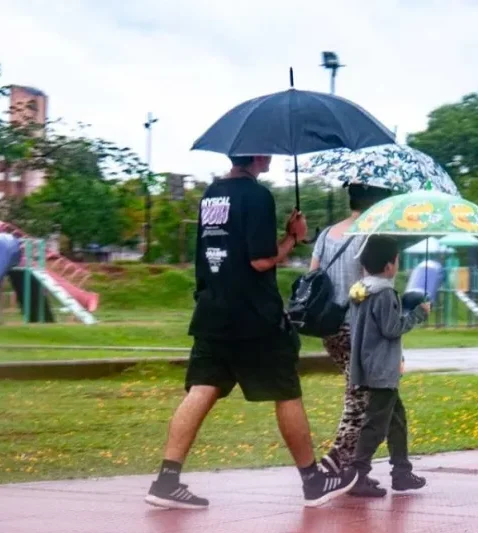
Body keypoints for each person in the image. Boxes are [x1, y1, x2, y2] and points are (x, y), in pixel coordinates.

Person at [145, 155, 358, 510]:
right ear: (258, 156)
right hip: (254, 316)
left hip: (212, 309)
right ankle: (312, 480)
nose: (271, 157)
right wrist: (293, 238)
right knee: (286, 391)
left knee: (202, 388)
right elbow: (260, 259)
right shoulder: (256, 195)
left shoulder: (213, 193)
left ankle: (166, 480)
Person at [310, 184, 392, 483]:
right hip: (359, 327)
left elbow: (313, 274)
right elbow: (370, 284)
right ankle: (336, 464)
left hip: (330, 326)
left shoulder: (326, 234)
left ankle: (355, 468)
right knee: (360, 399)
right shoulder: (371, 235)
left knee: (362, 395)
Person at [346, 235, 429, 497]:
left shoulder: (360, 289)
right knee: (376, 425)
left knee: (396, 420)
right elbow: (392, 329)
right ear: (389, 266)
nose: (398, 264)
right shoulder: (384, 293)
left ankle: (401, 472)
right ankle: (356, 474)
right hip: (383, 369)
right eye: (397, 259)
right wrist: (418, 314)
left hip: (368, 364)